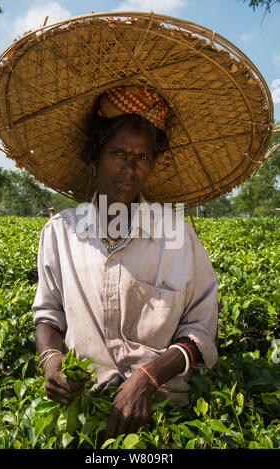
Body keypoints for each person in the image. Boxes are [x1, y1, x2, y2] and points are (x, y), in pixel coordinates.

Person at [33, 86, 219, 438]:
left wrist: (149, 378)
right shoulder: (59, 232)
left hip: (164, 414)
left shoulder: (177, 235)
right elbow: (48, 315)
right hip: (83, 411)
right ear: (95, 155)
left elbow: (201, 329)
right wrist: (51, 360)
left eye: (142, 157)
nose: (129, 167)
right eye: (117, 152)